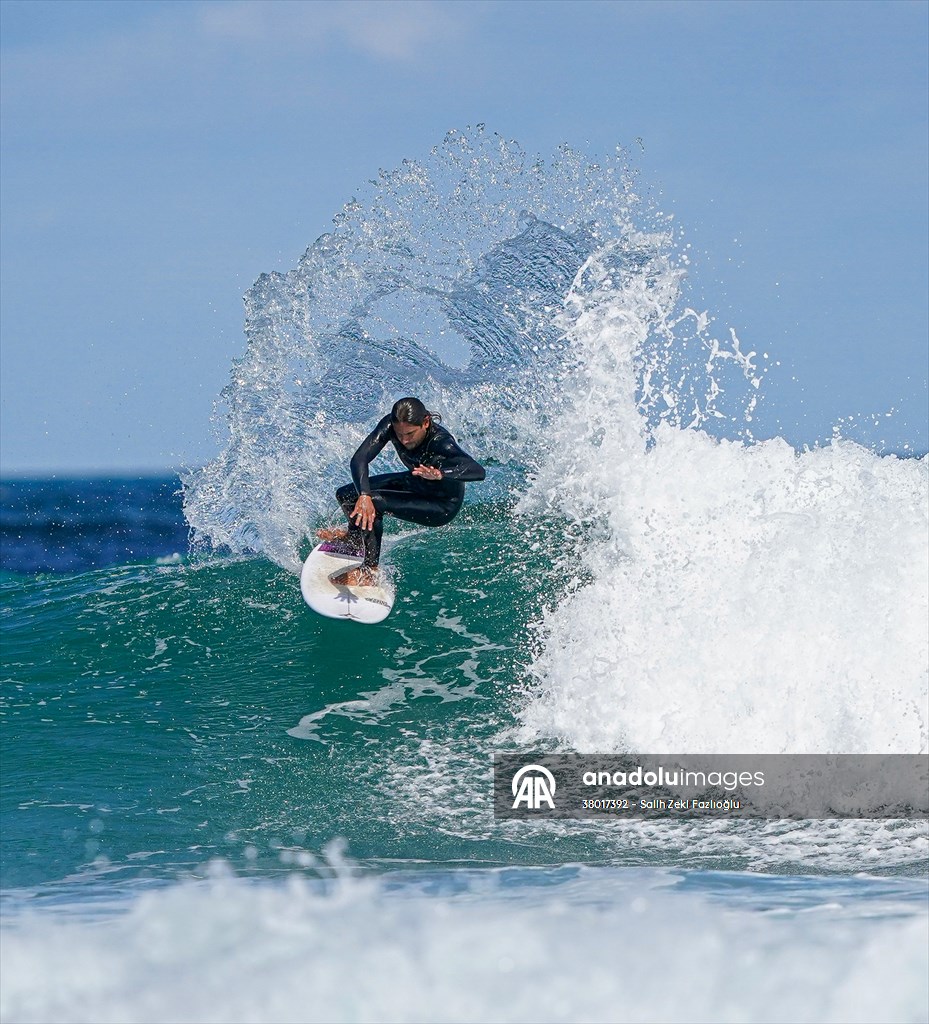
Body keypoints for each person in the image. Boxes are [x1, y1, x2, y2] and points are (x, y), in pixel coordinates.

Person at [318, 397, 485, 586]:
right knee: (347, 494)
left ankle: (369, 572)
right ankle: (355, 539)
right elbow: (359, 459)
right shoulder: (391, 426)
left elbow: (478, 471)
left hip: (441, 504)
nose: (404, 440)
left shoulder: (441, 442)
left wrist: (441, 474)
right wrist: (363, 495)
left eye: (410, 434)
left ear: (426, 422)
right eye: (400, 434)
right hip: (416, 482)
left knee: (375, 502)